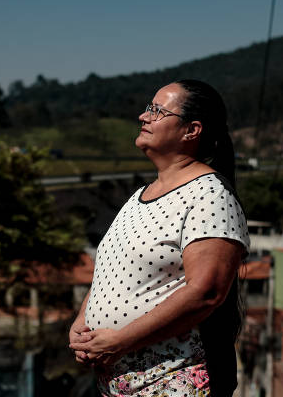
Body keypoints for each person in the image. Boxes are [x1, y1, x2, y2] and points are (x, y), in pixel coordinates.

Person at [68, 79, 249, 396]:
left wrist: (121, 340)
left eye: (157, 110)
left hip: (174, 381)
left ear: (191, 130)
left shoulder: (209, 196)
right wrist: (82, 324)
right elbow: (111, 274)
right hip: (119, 384)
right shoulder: (139, 196)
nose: (143, 116)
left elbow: (205, 292)